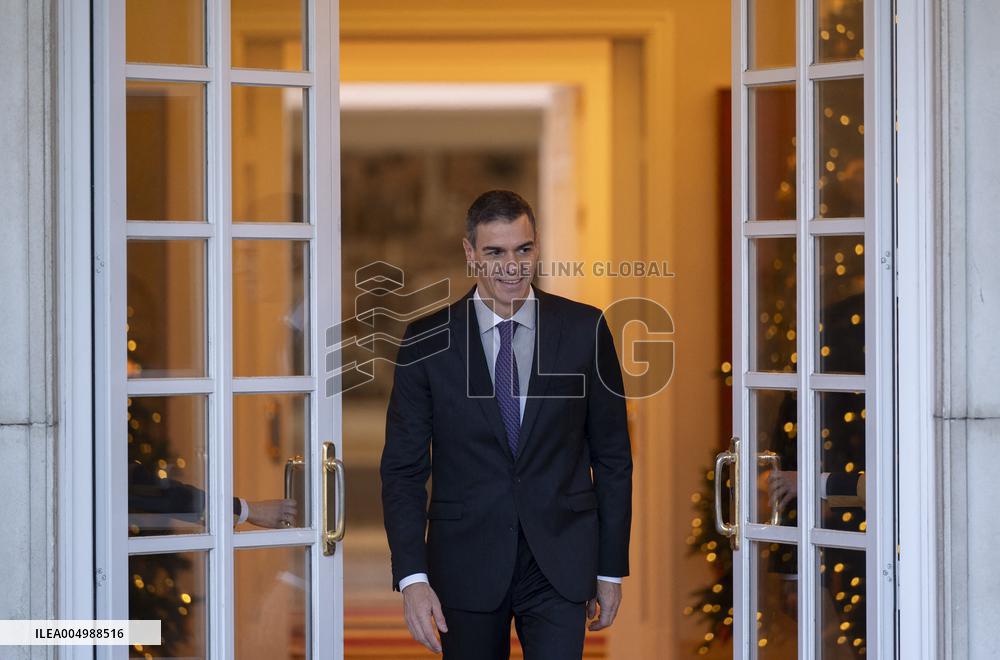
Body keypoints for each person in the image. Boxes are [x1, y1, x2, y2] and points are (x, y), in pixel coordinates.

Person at [380, 190, 633, 659]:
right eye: (494, 252)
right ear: (470, 253)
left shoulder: (585, 330)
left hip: (560, 559)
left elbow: (614, 458)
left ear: (537, 248)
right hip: (465, 562)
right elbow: (403, 470)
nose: (511, 266)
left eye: (523, 249)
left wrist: (610, 569)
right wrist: (413, 579)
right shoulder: (427, 341)